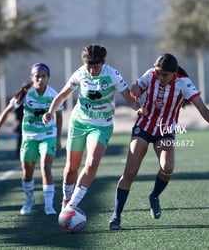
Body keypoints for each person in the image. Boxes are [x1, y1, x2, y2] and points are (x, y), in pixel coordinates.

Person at [109, 53, 209, 230]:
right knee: (131, 172)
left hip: (165, 131)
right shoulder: (150, 75)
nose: (160, 77)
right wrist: (135, 91)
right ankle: (116, 216)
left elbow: (202, 108)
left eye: (165, 74)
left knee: (168, 167)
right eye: (158, 72)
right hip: (143, 127)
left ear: (174, 73)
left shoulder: (184, 83)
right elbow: (136, 89)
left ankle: (154, 196)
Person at [42, 44, 142, 212]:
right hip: (79, 123)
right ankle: (66, 198)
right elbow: (63, 95)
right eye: (90, 67)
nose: (92, 71)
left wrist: (137, 108)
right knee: (71, 169)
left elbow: (129, 98)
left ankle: (71, 205)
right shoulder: (81, 73)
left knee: (92, 162)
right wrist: (50, 111)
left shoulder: (112, 75)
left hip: (102, 126)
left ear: (103, 63)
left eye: (96, 67)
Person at [0, 63, 63, 216]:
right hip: (29, 137)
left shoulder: (53, 94)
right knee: (27, 173)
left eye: (43, 76)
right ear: (32, 78)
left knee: (46, 168)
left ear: (48, 78)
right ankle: (29, 201)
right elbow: (7, 111)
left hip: (48, 136)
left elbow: (59, 116)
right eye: (37, 76)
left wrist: (59, 139)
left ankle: (49, 206)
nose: (40, 79)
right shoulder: (25, 93)